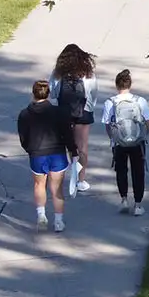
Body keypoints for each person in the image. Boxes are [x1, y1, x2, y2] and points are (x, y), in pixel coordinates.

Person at [18, 80, 73, 232]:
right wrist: (72, 151)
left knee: (39, 185)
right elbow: (67, 134)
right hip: (57, 154)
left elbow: (23, 138)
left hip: (37, 154)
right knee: (57, 189)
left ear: (33, 93)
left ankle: (41, 215)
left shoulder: (25, 114)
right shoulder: (59, 112)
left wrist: (30, 149)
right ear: (48, 94)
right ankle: (59, 221)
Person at [100, 69, 149, 216]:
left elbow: (107, 124)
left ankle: (124, 199)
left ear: (116, 85)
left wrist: (113, 138)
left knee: (121, 171)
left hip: (119, 143)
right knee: (138, 172)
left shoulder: (110, 102)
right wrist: (143, 135)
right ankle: (138, 205)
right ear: (130, 84)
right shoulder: (140, 101)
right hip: (137, 142)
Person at [50, 44, 97, 197]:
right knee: (82, 147)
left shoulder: (58, 74)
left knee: (68, 146)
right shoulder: (88, 74)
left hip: (63, 112)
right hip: (83, 113)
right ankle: (81, 180)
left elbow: (53, 94)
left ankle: (67, 173)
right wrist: (88, 108)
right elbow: (93, 93)